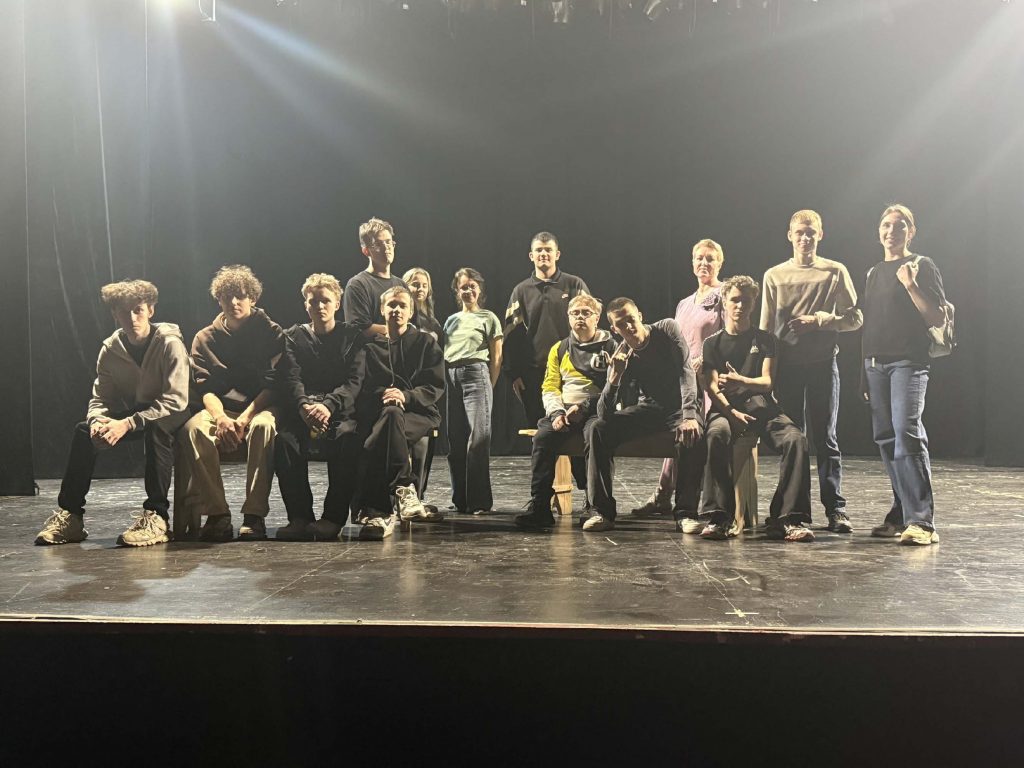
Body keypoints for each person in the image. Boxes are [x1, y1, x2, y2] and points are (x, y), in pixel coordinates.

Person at [35, 280, 190, 547]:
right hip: (143, 411)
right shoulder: (110, 349)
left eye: (138, 310)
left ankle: (157, 517)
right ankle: (71, 516)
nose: (132, 318)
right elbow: (101, 399)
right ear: (115, 315)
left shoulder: (169, 343)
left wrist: (127, 424)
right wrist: (97, 421)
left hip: (176, 408)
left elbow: (176, 399)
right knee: (84, 431)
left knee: (157, 428)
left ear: (150, 310)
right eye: (124, 312)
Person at [760, 210, 862, 533]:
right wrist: (766, 374)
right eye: (800, 232)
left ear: (820, 235)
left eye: (811, 233)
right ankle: (791, 510)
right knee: (794, 440)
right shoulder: (774, 275)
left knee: (826, 438)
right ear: (789, 235)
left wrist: (819, 321)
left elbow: (855, 318)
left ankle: (835, 508)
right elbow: (765, 331)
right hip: (788, 369)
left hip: (822, 365)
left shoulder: (834, 271)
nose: (805, 238)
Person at [176, 265, 284, 542]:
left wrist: (244, 419)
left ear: (252, 298)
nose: (234, 302)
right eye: (227, 297)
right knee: (193, 430)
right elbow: (205, 388)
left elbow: (273, 386)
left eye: (240, 296)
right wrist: (222, 419)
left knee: (263, 427)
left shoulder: (271, 332)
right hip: (220, 408)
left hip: (259, 407)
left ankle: (254, 515)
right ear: (219, 300)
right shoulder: (204, 338)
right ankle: (218, 514)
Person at [702, 275, 814, 542]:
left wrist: (741, 381)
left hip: (761, 405)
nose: (740, 306)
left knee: (796, 440)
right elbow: (712, 387)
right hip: (725, 408)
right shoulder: (712, 344)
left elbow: (766, 382)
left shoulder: (765, 340)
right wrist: (731, 413)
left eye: (746, 301)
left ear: (753, 304)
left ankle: (787, 518)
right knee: (716, 434)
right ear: (724, 302)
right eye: (734, 300)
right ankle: (720, 516)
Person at [861, 204, 947, 546]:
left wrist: (911, 285)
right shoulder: (873, 272)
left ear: (911, 232)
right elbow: (870, 325)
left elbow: (937, 317)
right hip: (875, 365)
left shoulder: (922, 266)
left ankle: (922, 522)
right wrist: (863, 373)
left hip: (908, 363)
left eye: (899, 226)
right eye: (886, 225)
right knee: (886, 438)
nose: (891, 231)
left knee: (906, 433)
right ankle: (901, 514)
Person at [581, 298, 704, 533]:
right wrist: (615, 377)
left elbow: (686, 370)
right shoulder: (622, 355)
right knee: (598, 428)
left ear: (640, 315)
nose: (628, 326)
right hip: (649, 409)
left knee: (692, 435)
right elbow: (604, 414)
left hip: (679, 407)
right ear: (614, 329)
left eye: (631, 319)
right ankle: (602, 512)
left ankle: (686, 514)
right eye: (621, 324)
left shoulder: (666, 329)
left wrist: (689, 415)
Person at [632, 238, 726, 530]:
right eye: (699, 258)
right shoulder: (684, 304)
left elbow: (729, 336)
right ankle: (663, 495)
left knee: (694, 434)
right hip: (683, 381)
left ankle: (694, 501)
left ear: (720, 263)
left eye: (710, 258)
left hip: (709, 380)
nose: (704, 263)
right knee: (678, 430)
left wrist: (705, 360)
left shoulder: (724, 295)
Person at [273, 274, 365, 542]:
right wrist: (304, 406)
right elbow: (292, 378)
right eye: (314, 301)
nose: (320, 306)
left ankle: (333, 518)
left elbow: (354, 381)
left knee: (347, 438)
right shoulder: (293, 337)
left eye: (325, 300)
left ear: (337, 303)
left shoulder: (352, 337)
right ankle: (299, 517)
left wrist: (328, 406)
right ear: (306, 305)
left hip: (339, 410)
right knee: (285, 441)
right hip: (304, 411)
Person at [514, 294, 616, 530]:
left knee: (596, 433)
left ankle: (597, 507)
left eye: (586, 313)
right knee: (543, 436)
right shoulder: (559, 349)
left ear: (597, 318)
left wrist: (584, 407)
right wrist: (557, 413)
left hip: (597, 411)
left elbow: (616, 389)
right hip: (564, 411)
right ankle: (540, 507)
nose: (580, 317)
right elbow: (550, 386)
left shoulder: (611, 347)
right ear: (568, 318)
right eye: (575, 313)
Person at [354, 286, 445, 540]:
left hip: (420, 414)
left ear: (411, 311)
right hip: (384, 413)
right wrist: (386, 395)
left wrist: (406, 396)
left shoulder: (426, 343)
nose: (396, 310)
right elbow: (363, 388)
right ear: (382, 311)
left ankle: (375, 511)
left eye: (402, 305)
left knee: (374, 442)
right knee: (391, 415)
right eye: (391, 305)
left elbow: (435, 385)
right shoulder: (370, 349)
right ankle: (405, 489)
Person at [503, 232, 590, 426]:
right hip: (534, 375)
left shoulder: (575, 284)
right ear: (531, 256)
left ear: (557, 254)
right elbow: (510, 335)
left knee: (574, 429)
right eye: (539, 250)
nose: (543, 254)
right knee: (540, 432)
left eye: (548, 250)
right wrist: (513, 373)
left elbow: (590, 325)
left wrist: (587, 363)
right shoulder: (520, 291)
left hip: (572, 369)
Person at [443, 268, 503, 515]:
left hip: (476, 373)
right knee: (455, 439)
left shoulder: (488, 317)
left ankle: (479, 501)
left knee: (478, 439)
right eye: (463, 287)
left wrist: (489, 384)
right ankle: (461, 499)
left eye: (472, 286)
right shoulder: (451, 320)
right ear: (457, 292)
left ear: (479, 290)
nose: (468, 290)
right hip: (451, 375)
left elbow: (496, 356)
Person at [344, 217, 407, 339]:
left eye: (388, 242)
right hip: (372, 351)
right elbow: (358, 329)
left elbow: (413, 324)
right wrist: (397, 329)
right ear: (366, 251)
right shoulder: (357, 285)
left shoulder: (402, 285)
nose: (386, 247)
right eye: (378, 244)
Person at [403, 267, 443, 341]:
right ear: (405, 286)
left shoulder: (433, 321)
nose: (421, 289)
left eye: (424, 286)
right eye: (415, 285)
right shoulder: (399, 315)